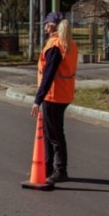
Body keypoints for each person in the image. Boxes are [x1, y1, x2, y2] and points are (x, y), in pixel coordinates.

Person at [30, 12, 79, 190]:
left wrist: (38, 99)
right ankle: (48, 167)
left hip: (53, 95)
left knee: (54, 135)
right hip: (64, 93)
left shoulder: (55, 45)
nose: (44, 27)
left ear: (52, 26)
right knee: (52, 133)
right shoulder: (69, 43)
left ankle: (60, 170)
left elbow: (48, 74)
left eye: (46, 24)